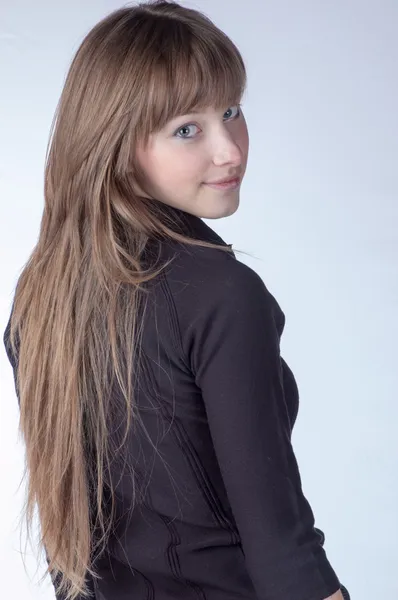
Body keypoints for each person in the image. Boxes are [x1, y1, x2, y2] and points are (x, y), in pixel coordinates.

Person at [3, 2, 350, 599]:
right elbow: (282, 549)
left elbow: (69, 552)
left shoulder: (42, 296)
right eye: (187, 129)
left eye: (231, 112)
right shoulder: (223, 298)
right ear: (115, 144)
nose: (231, 151)